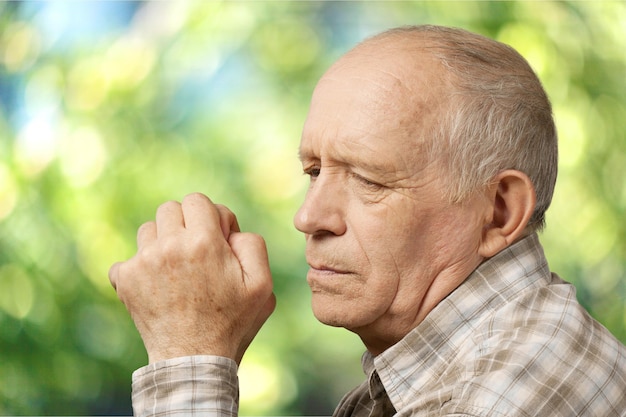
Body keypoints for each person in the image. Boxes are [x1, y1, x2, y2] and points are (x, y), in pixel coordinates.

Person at [109, 25, 626, 416]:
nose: (308, 217)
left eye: (369, 180)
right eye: (313, 171)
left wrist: (189, 359)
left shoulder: (504, 392)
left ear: (499, 212)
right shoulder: (471, 361)